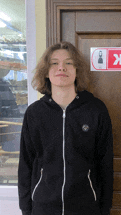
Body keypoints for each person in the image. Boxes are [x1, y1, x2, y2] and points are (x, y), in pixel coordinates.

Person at [18, 42, 113, 215]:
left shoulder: (96, 110)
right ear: (46, 71)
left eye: (69, 63)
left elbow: (105, 163)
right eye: (54, 63)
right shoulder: (34, 113)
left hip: (85, 205)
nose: (61, 67)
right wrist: (25, 208)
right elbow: (26, 164)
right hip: (43, 205)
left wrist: (105, 207)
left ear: (77, 71)